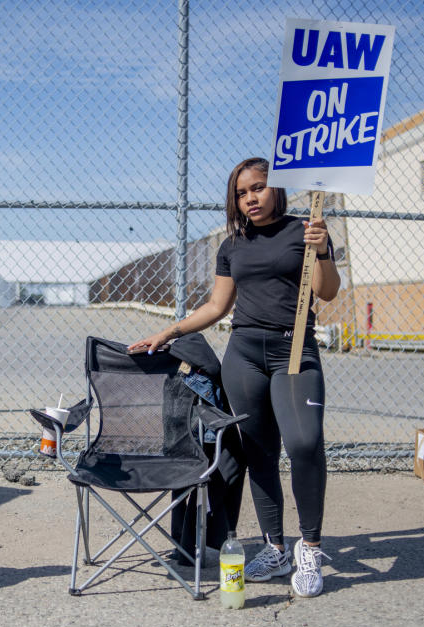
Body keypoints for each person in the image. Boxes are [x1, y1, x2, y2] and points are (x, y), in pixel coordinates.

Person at [129, 157, 340, 597]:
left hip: (294, 347)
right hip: (243, 353)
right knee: (259, 452)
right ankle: (275, 547)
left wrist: (320, 250)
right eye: (242, 193)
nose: (251, 198)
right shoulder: (233, 244)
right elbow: (216, 306)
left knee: (303, 443)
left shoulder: (307, 230)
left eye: (259, 188)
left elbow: (327, 290)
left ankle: (311, 546)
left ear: (276, 188)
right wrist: (168, 332)